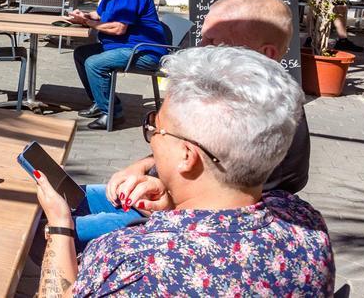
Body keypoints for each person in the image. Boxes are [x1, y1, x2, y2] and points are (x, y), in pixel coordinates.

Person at [32, 46, 334, 297]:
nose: (151, 135)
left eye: (154, 126)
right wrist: (171, 203)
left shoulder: (131, 259)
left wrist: (59, 226)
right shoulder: (306, 223)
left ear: (187, 156)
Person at [72, 0, 312, 247]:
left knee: (52, 227)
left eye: (215, 42)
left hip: (176, 226)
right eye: (203, 36)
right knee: (65, 198)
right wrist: (142, 166)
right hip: (159, 195)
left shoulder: (270, 123)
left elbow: (225, 211)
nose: (201, 47)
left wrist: (166, 198)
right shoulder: (218, 96)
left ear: (266, 53)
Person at [68, 0, 167, 130]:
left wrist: (86, 23)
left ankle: (111, 113)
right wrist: (82, 15)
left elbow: (119, 29)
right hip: (124, 46)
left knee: (94, 63)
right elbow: (99, 15)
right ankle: (101, 102)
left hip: (143, 50)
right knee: (81, 54)